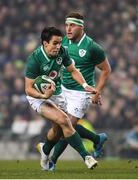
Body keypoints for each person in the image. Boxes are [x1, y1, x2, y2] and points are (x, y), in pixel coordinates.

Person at [25, 26, 98, 170]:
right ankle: (86, 156)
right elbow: (28, 88)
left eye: (59, 43)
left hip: (57, 93)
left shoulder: (62, 51)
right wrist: (43, 95)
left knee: (58, 131)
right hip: (38, 97)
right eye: (55, 43)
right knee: (65, 120)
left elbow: (72, 70)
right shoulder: (34, 59)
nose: (58, 46)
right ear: (45, 43)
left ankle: (45, 150)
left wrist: (84, 85)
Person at [48, 12, 111, 171]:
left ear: (81, 27)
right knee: (63, 125)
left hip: (81, 93)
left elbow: (106, 70)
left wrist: (97, 91)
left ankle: (52, 161)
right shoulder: (62, 43)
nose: (68, 29)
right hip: (63, 89)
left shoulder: (92, 47)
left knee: (65, 126)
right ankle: (97, 139)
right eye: (67, 25)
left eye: (72, 25)